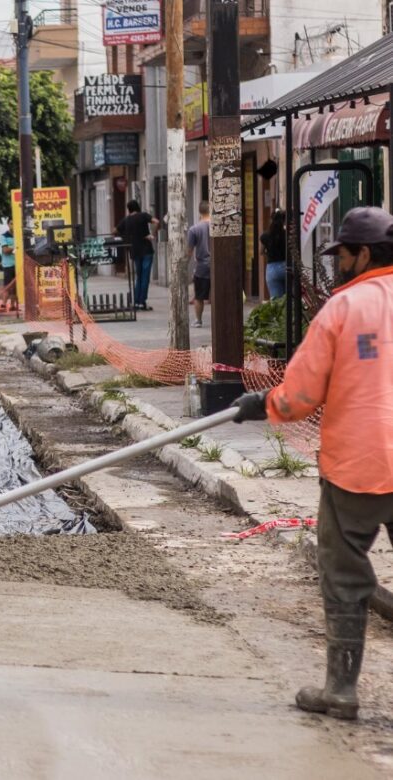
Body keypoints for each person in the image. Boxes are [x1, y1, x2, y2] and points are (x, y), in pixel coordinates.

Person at [232, 207, 393, 721]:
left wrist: (265, 403)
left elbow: (299, 395)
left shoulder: (343, 309)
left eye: (341, 254)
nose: (339, 264)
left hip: (360, 465)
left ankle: (341, 690)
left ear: (361, 255)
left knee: (344, 574)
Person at [116, 200, 159, 311]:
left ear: (128, 209)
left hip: (134, 251)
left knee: (139, 277)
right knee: (145, 277)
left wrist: (126, 237)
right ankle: (142, 302)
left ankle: (136, 302)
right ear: (138, 207)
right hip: (146, 250)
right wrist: (152, 234)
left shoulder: (126, 220)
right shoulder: (143, 215)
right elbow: (156, 221)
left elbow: (115, 230)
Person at [186, 201, 212, 327]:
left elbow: (189, 251)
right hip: (218, 265)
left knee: (199, 296)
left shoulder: (194, 229)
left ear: (199, 212)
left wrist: (185, 266)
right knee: (218, 293)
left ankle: (198, 320)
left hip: (202, 266)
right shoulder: (218, 226)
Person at [262, 210, 288, 299]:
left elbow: (262, 249)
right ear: (283, 221)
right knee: (289, 301)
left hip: (272, 268)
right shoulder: (286, 235)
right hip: (286, 266)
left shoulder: (265, 236)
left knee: (276, 303)